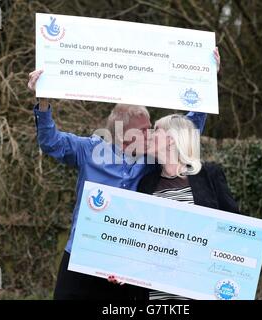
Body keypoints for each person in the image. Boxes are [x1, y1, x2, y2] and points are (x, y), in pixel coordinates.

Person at [27, 49, 221, 300]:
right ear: (122, 128)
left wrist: (207, 80)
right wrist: (43, 101)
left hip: (126, 263)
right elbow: (51, 142)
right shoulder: (89, 150)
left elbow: (188, 129)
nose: (150, 133)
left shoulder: (150, 160)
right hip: (82, 254)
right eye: (144, 129)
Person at [133, 114, 262, 300]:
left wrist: (256, 234)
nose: (149, 135)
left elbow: (233, 223)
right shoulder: (146, 183)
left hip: (200, 288)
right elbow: (135, 236)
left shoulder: (209, 175)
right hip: (157, 292)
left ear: (171, 139)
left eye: (156, 130)